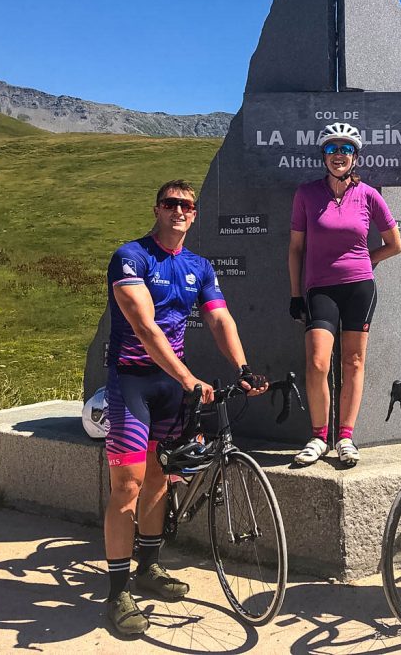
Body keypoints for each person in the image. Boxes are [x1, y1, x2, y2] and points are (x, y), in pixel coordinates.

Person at [102, 179, 268, 636]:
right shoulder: (131, 257)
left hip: (170, 384)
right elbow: (145, 326)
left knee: (160, 476)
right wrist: (189, 378)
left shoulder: (197, 265)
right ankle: (116, 593)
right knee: (128, 485)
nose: (179, 211)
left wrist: (243, 367)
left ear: (194, 215)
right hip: (131, 382)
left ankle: (148, 568)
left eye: (187, 206)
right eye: (171, 204)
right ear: (157, 208)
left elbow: (218, 317)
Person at [287, 123, 401, 466]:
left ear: (355, 157)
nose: (339, 154)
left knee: (353, 362)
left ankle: (346, 437)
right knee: (318, 362)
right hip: (320, 288)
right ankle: (319, 436)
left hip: (359, 287)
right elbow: (295, 249)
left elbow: (395, 244)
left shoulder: (368, 195)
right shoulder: (306, 194)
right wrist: (296, 294)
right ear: (322, 155)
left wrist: (367, 259)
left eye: (346, 149)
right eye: (332, 149)